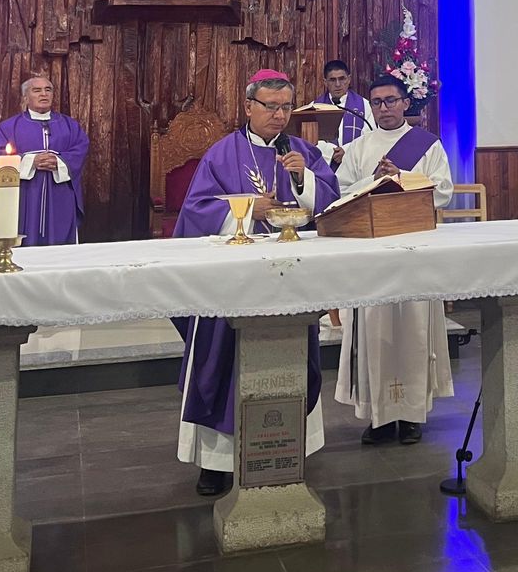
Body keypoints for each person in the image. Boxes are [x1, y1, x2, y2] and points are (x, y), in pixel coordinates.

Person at [172, 71, 338, 497]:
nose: (279, 115)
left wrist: (303, 180)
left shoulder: (302, 152)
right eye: (270, 106)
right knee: (220, 363)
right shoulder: (222, 153)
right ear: (249, 107)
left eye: (286, 107)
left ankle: (284, 448)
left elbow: (333, 205)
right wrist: (248, 210)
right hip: (232, 281)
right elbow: (195, 211)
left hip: (289, 278)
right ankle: (215, 462)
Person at [335, 74, 455, 446]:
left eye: (390, 100)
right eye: (377, 102)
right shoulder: (358, 148)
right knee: (375, 334)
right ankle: (380, 416)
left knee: (414, 331)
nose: (384, 108)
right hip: (372, 251)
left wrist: (400, 177)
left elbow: (444, 191)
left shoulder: (427, 144)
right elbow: (339, 192)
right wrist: (373, 180)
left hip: (413, 248)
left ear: (405, 103)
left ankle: (412, 415)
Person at [0, 73, 89, 246]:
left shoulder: (70, 126)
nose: (43, 94)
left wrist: (59, 162)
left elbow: (80, 149)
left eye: (48, 90)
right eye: (37, 90)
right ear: (25, 97)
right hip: (23, 196)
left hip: (59, 196)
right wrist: (31, 162)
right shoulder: (8, 127)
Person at [316, 58, 374, 164]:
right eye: (332, 80)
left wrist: (346, 151)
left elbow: (370, 135)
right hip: (326, 163)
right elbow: (311, 138)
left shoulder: (364, 105)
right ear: (325, 82)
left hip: (355, 162)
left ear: (349, 79)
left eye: (342, 79)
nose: (338, 84)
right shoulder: (314, 107)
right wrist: (331, 152)